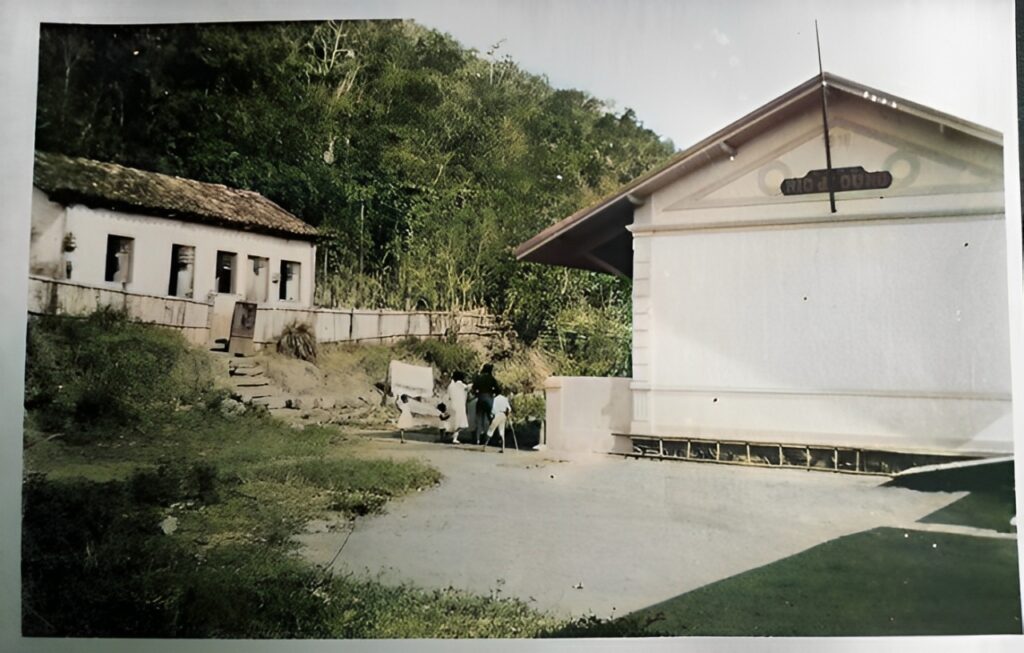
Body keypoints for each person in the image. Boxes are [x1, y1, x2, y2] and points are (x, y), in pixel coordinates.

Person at [471, 363, 500, 444]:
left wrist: (477, 394)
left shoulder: (479, 378)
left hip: (480, 398)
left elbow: (473, 388)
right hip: (489, 398)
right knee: (491, 419)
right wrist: (493, 393)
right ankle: (492, 438)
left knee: (479, 419)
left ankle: (478, 439)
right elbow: (498, 390)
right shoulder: (491, 378)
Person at [445, 371, 470, 444]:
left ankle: (450, 433)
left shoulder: (451, 386)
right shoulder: (463, 386)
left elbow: (448, 396)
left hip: (452, 405)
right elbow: (468, 389)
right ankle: (454, 437)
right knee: (460, 423)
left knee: (454, 421)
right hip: (460, 406)